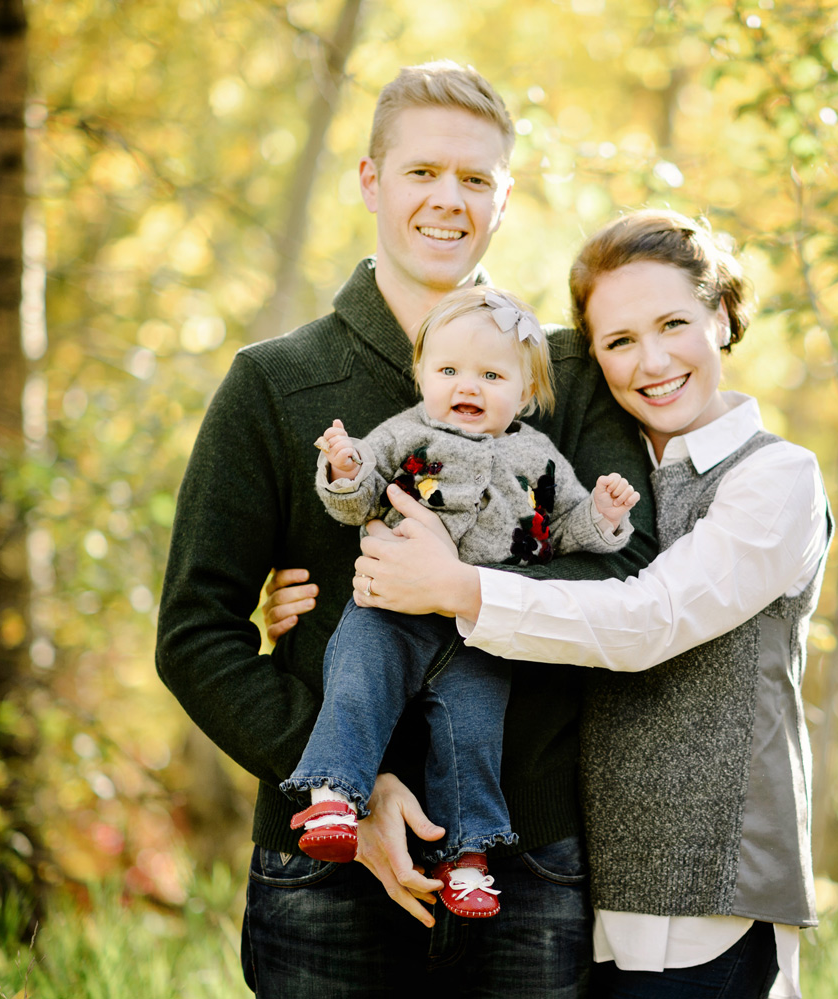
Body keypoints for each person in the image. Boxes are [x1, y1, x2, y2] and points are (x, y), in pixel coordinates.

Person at [156, 61, 657, 998]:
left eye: (475, 179)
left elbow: (631, 575)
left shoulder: (567, 376)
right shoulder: (275, 381)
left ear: (505, 199)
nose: (447, 201)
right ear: (370, 180)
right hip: (322, 869)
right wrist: (344, 778)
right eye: (423, 172)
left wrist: (470, 591)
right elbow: (194, 633)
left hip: (526, 861)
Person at [284, 209, 832, 998]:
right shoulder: (601, 469)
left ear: (720, 315)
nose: (652, 360)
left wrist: (456, 589)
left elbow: (647, 619)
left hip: (711, 903)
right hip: (591, 896)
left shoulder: (775, 479)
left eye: (675, 322)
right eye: (618, 341)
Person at [281, 285, 639, 922]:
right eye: (447, 370)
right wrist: (342, 467)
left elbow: (563, 531)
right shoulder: (405, 433)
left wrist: (603, 516)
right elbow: (358, 494)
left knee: (472, 736)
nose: (466, 385)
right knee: (358, 683)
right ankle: (334, 792)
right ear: (420, 375)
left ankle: (468, 856)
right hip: (389, 610)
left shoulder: (540, 456)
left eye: (491, 374)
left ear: (525, 392)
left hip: (480, 629)